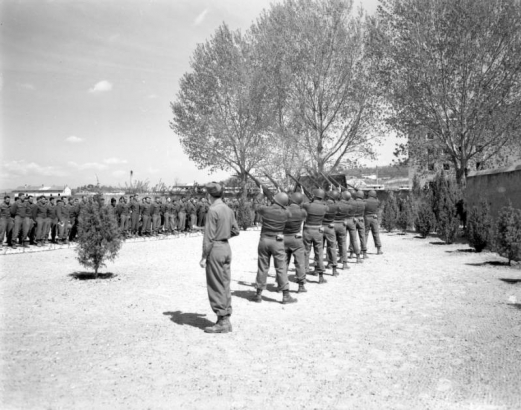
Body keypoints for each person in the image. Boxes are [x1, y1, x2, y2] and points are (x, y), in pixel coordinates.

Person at [199, 182, 239, 333]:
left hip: (215, 249)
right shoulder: (228, 209)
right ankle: (226, 318)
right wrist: (224, 235)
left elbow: (208, 238)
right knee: (225, 283)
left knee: (215, 285)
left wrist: (204, 256)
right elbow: (236, 230)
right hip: (226, 247)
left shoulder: (213, 210)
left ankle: (222, 320)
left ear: (208, 195)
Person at [253, 191, 297, 304]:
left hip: (264, 240)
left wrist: (261, 194)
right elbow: (289, 211)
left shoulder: (265, 209)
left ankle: (258, 294)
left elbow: (255, 205)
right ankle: (286, 295)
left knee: (263, 267)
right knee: (281, 267)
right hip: (277, 241)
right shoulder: (286, 212)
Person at [283, 192, 308, 293]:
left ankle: (282, 284)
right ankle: (301, 285)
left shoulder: (284, 210)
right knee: (300, 262)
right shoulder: (302, 212)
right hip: (296, 238)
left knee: (283, 263)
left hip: (284, 238)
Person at [302, 189, 328, 284]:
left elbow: (302, 203)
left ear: (315, 196)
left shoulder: (308, 205)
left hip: (308, 230)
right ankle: (320, 276)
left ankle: (303, 274)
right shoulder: (324, 207)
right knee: (319, 253)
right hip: (318, 230)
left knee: (305, 252)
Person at [365, 190, 383, 255]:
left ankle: (363, 249)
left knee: (365, 234)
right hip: (374, 218)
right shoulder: (377, 201)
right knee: (376, 233)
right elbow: (378, 206)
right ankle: (379, 249)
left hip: (366, 217)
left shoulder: (365, 201)